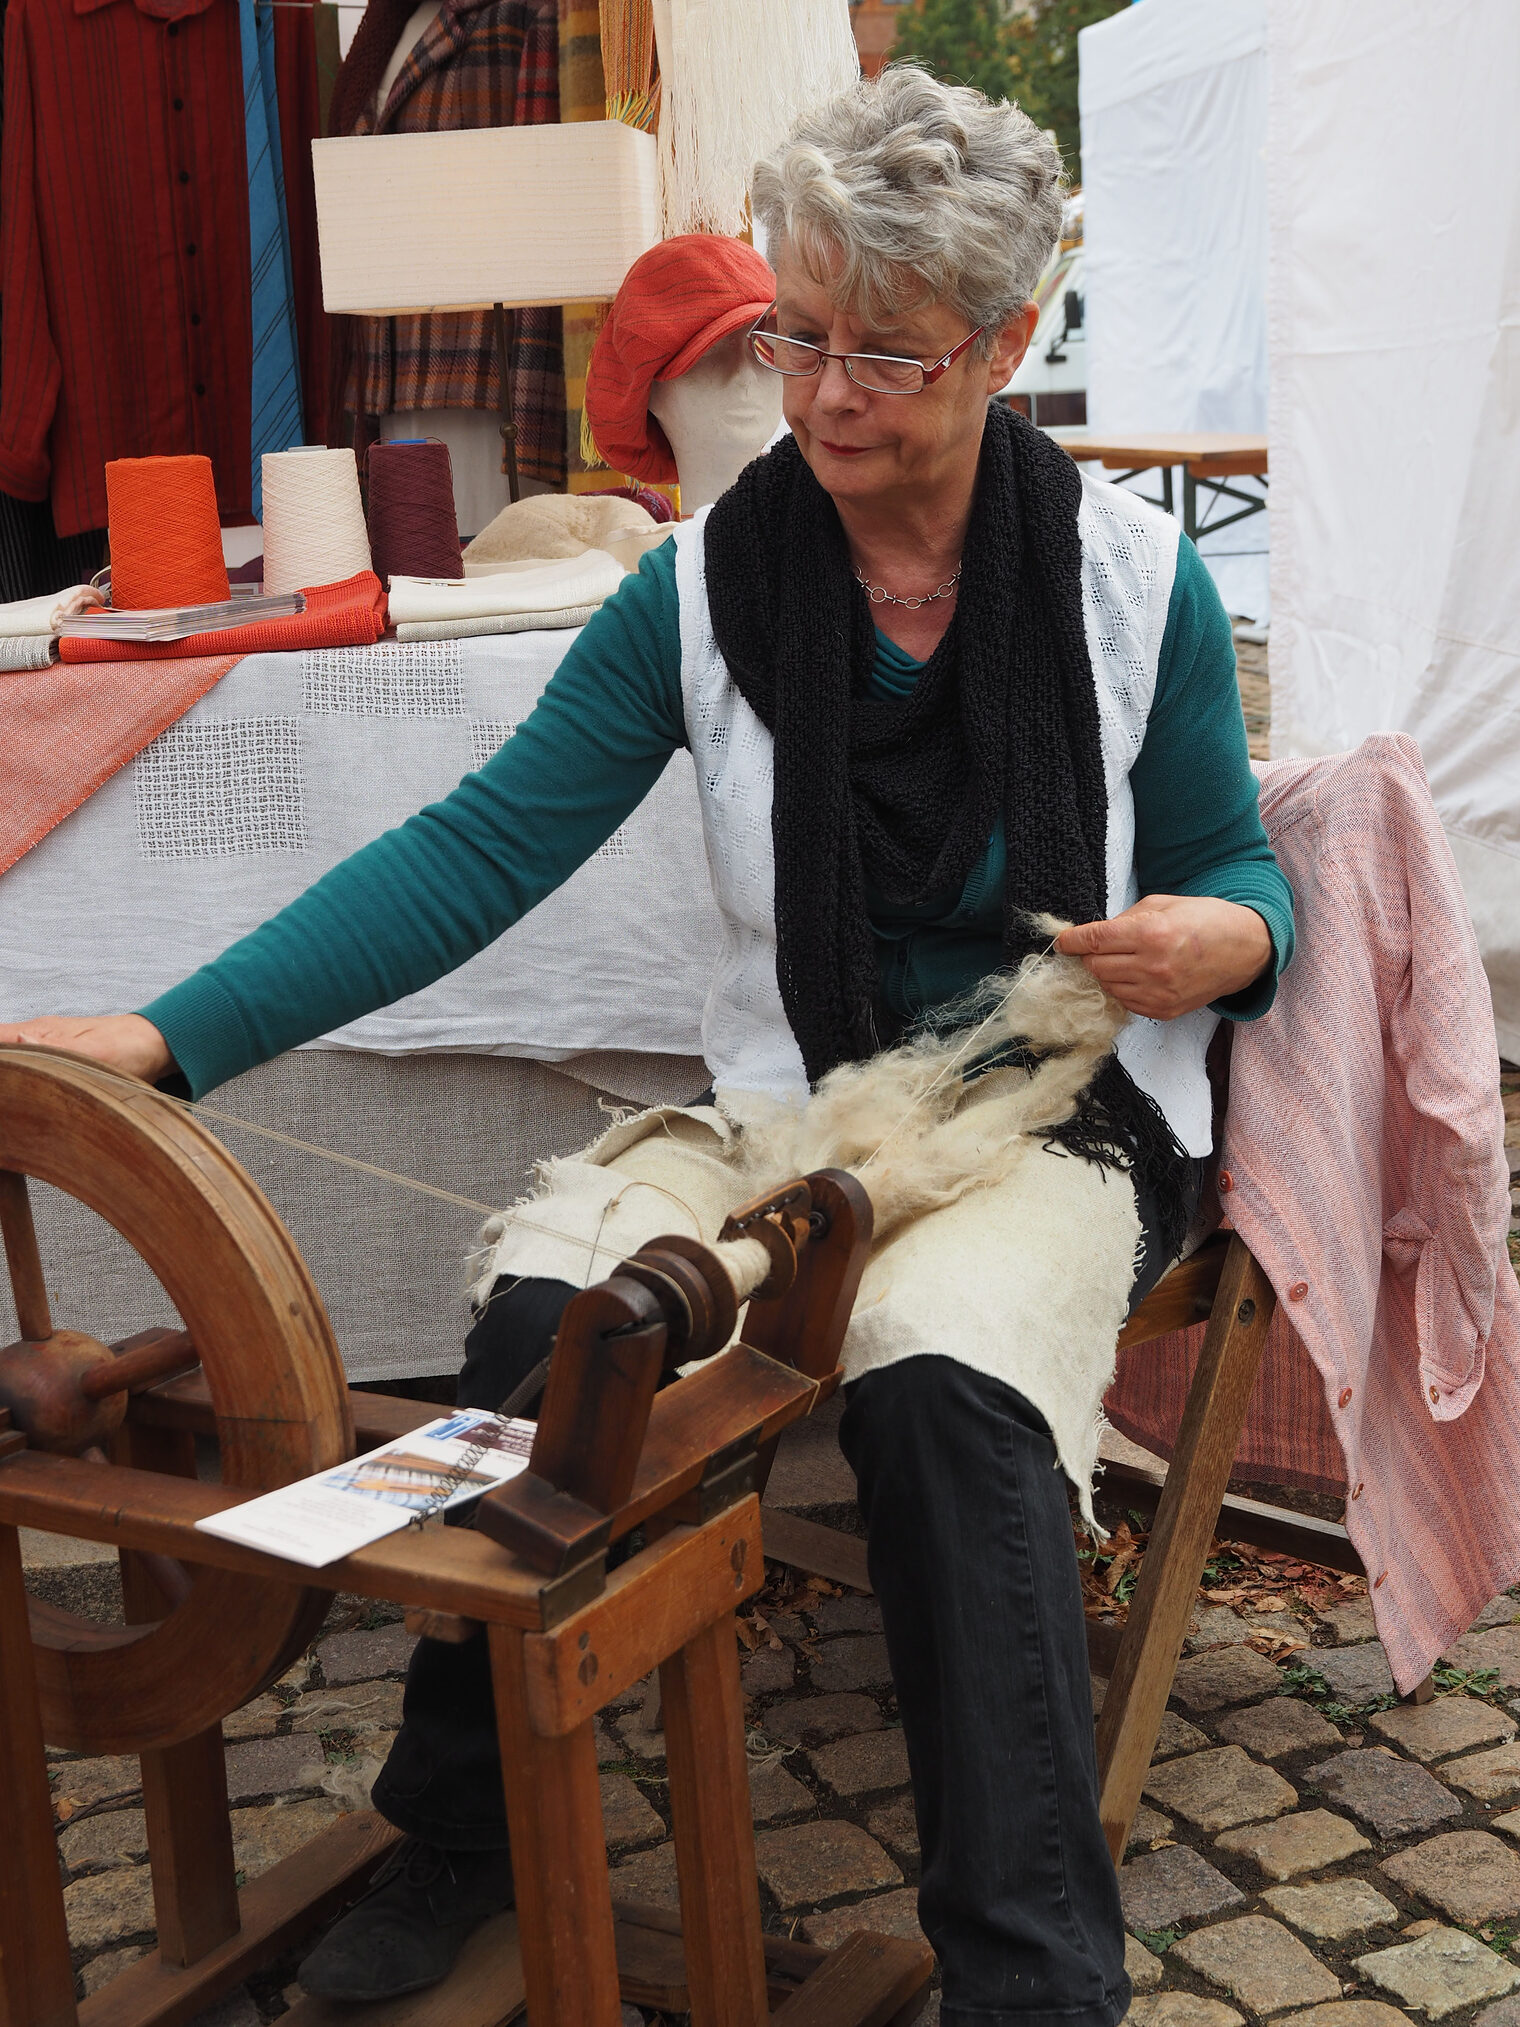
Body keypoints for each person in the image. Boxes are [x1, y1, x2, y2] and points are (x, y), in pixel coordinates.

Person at [4, 67, 1293, 2027]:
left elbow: (1231, 870)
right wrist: (168, 1040)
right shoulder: (700, 593)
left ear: (1006, 342)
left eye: (887, 353)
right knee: (547, 1332)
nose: (825, 397)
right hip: (789, 1109)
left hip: (1051, 1122)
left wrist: (1222, 935)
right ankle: (465, 1828)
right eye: (797, 333)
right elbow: (477, 855)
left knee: (945, 1392)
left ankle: (1031, 1974)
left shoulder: (1133, 584)